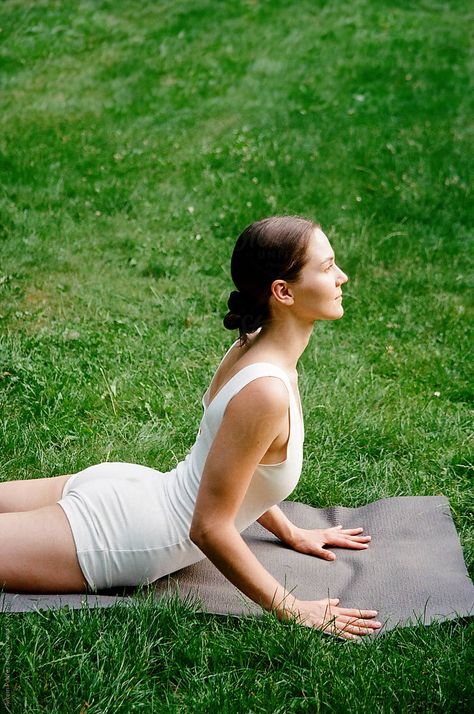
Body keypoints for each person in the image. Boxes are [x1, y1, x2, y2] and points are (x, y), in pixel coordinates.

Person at [0, 215, 381, 641]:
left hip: (133, 491)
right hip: (126, 536)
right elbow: (209, 527)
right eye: (327, 267)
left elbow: (238, 467)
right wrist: (292, 608)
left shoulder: (249, 345)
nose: (342, 276)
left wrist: (291, 533)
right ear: (283, 291)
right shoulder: (266, 391)